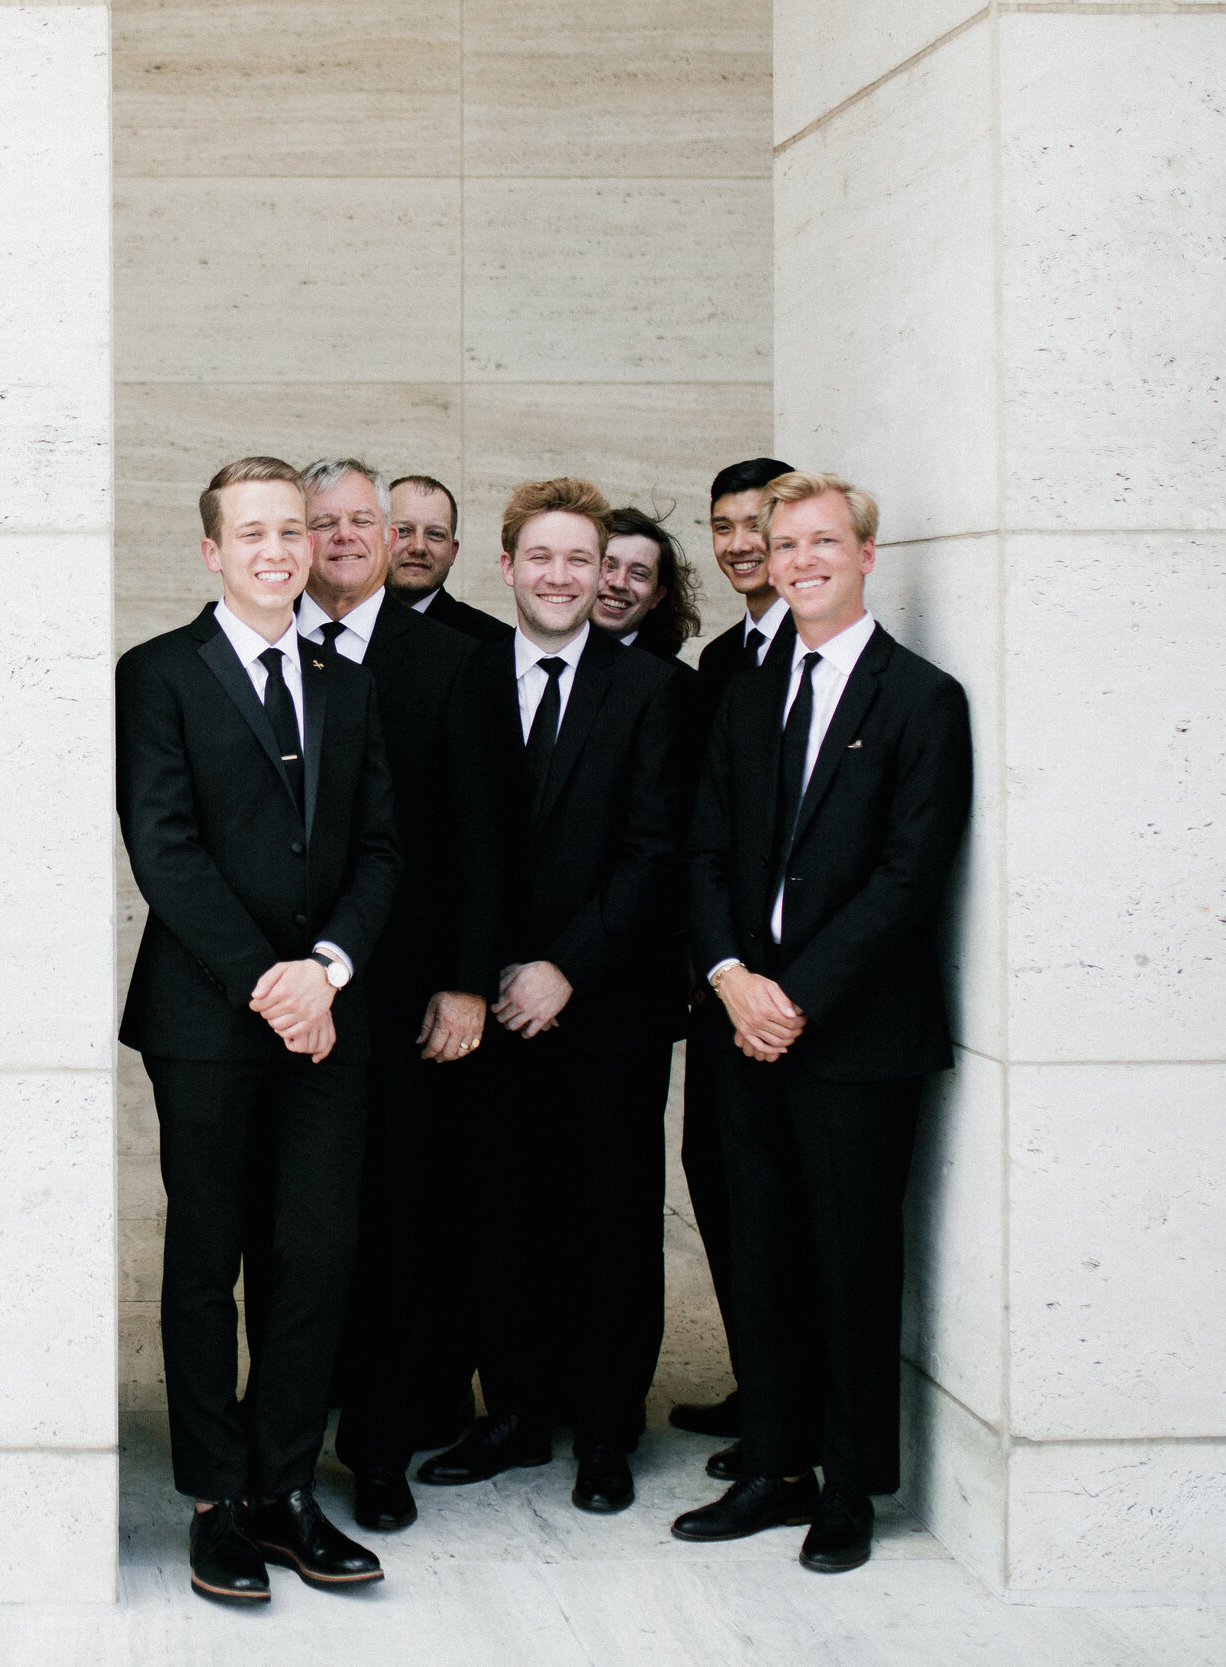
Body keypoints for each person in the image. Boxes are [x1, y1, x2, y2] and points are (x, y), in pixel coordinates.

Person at [673, 473, 972, 1574]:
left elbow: (907, 875)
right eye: (780, 542)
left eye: (819, 541)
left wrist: (793, 995)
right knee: (756, 1251)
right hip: (737, 1017)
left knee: (848, 1260)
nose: (798, 558)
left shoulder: (921, 697)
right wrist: (729, 975)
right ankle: (773, 1460)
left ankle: (848, 1484)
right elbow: (699, 847)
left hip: (852, 1033)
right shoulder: (747, 689)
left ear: (863, 555)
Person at [117, 458, 401, 1607]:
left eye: (293, 529)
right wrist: (268, 980)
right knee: (206, 1259)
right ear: (212, 551)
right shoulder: (156, 674)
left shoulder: (347, 675)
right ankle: (213, 1498)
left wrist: (324, 970)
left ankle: (286, 1487)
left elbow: (381, 844)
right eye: (253, 532)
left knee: (315, 1253)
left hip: (329, 1017)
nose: (278, 549)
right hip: (205, 1019)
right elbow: (163, 844)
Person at [417, 479, 681, 1518]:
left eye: (582, 559)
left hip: (605, 1004)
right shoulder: (461, 677)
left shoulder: (653, 688)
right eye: (543, 557)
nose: (564, 576)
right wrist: (482, 974)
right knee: (501, 1218)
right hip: (486, 1008)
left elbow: (654, 848)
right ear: (509, 566)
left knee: (613, 1221)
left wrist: (564, 964)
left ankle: (607, 1430)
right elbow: (442, 844)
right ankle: (517, 1410)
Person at [291, 457, 499, 1534]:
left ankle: (378, 1443)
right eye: (320, 520)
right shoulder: (267, 642)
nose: (343, 535)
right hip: (288, 998)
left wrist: (465, 980)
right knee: (296, 1225)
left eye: (359, 520)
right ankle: (284, 1415)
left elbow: (478, 832)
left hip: (410, 993)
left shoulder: (453, 660)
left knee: (397, 1224)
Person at [671, 455, 799, 1466]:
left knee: (785, 1204)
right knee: (717, 1176)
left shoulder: (820, 653)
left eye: (758, 520)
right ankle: (764, 1384)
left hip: (798, 992)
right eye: (723, 525)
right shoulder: (722, 662)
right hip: (719, 981)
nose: (740, 541)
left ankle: (787, 1416)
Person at [380, 473, 510, 644]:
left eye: (435, 534)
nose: (418, 547)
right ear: (377, 540)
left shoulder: (493, 643)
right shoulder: (341, 623)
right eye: (403, 531)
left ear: (453, 552)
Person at [596, 506, 702, 663]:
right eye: (608, 566)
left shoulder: (680, 684)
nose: (619, 583)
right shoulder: (549, 659)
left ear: (657, 596)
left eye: (639, 574)